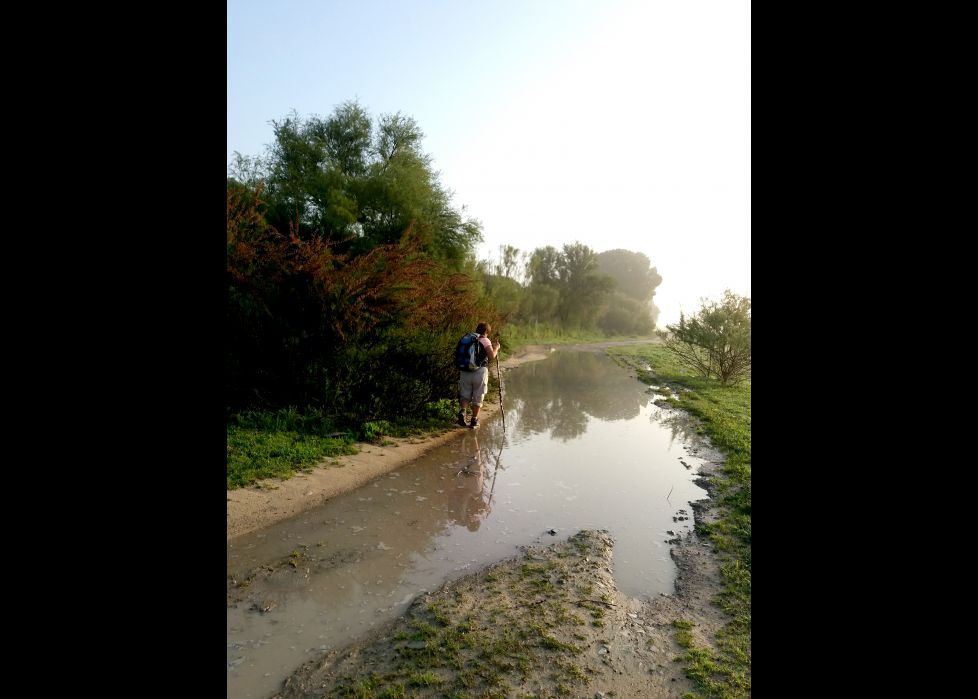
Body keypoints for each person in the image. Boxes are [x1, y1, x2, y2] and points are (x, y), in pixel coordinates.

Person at [457, 322, 500, 429]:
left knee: (465, 394)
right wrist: (496, 348)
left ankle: (463, 412)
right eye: (488, 333)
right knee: (478, 395)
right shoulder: (485, 340)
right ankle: (474, 420)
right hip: (480, 371)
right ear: (486, 331)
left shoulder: (467, 338)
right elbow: (491, 356)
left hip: (465, 370)